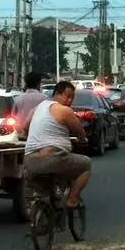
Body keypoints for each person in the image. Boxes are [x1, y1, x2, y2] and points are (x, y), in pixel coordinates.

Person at [24, 80, 91, 209]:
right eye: (68, 96)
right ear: (57, 94)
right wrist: (82, 140)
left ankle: (44, 205)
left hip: (30, 160)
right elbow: (80, 132)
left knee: (43, 184)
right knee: (86, 165)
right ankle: (72, 200)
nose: (70, 100)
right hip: (53, 158)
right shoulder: (64, 111)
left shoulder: (36, 109)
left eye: (72, 97)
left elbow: (25, 128)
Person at [13, 70, 46, 136]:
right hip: (39, 135)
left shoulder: (18, 98)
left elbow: (13, 115)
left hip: (21, 135)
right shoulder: (44, 99)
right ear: (38, 83)